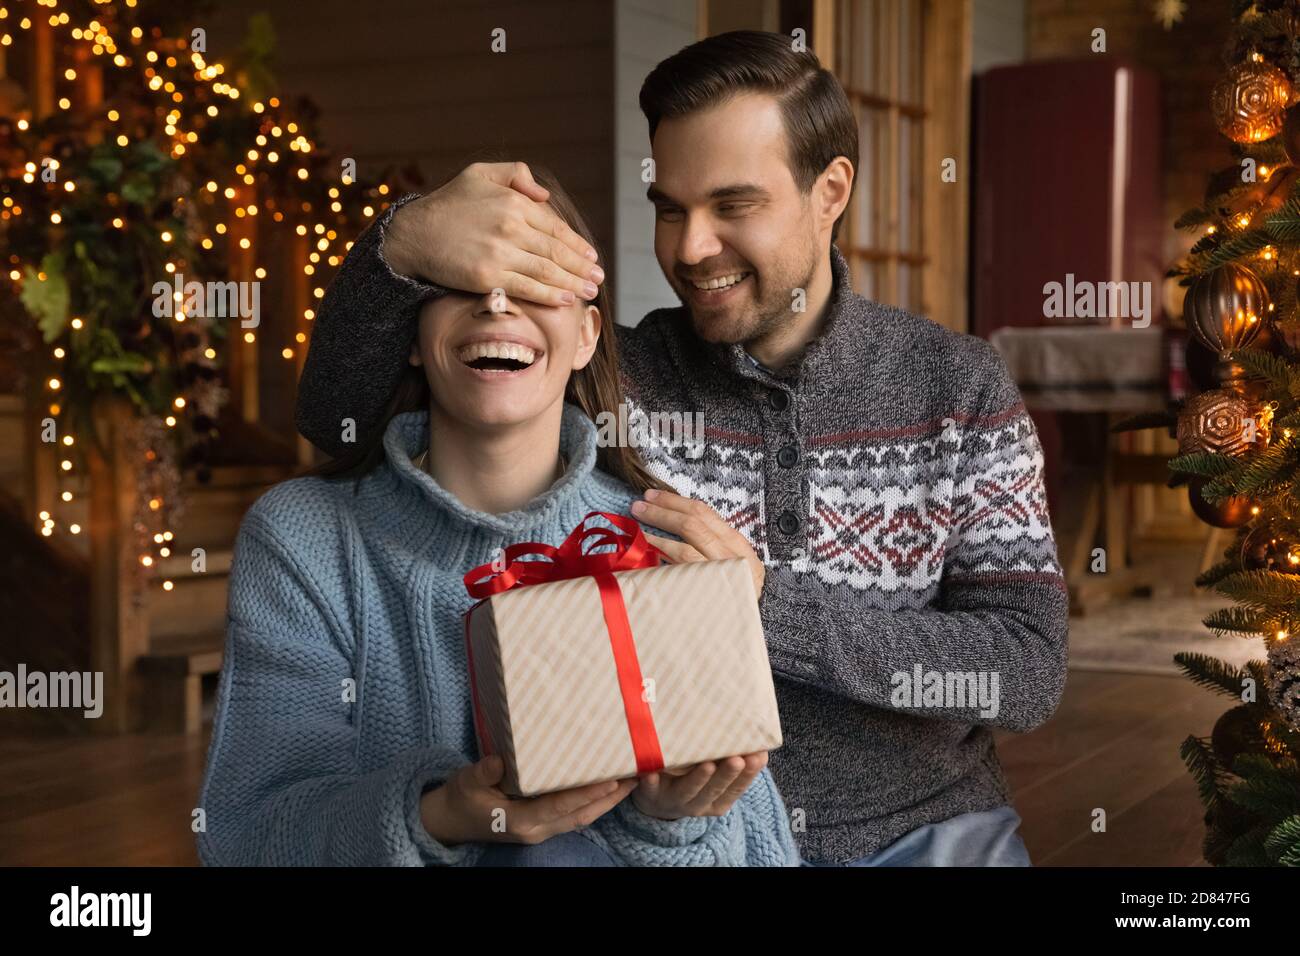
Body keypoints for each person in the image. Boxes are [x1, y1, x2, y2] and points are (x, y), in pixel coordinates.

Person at [294, 31, 1069, 866]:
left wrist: (759, 605)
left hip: (929, 834)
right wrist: (401, 245)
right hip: (673, 844)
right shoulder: (614, 381)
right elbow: (337, 412)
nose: (692, 249)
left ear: (830, 190)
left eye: (733, 207)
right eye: (671, 208)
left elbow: (1023, 671)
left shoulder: (959, 386)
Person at [195, 166, 800, 867]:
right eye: (462, 283)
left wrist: (668, 825)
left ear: (583, 337)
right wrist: (438, 817)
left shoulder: (666, 544)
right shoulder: (303, 539)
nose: (497, 304)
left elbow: (764, 854)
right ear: (414, 341)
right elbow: (249, 837)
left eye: (536, 280)